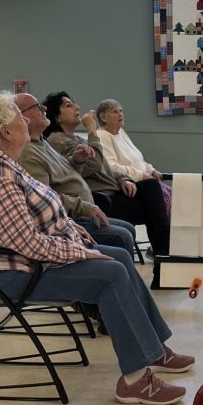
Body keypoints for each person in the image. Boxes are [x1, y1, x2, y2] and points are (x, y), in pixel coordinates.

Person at [0, 93, 194, 405]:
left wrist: (73, 231)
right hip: (7, 271)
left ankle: (155, 349)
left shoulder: (5, 164)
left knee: (119, 255)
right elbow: (27, 242)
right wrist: (81, 252)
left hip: (21, 260)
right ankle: (135, 379)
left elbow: (37, 215)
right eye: (18, 115)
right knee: (110, 273)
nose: (26, 118)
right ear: (5, 132)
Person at [42, 91, 170, 285]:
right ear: (57, 117)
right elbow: (93, 164)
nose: (77, 107)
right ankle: (164, 263)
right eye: (68, 105)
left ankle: (164, 262)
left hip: (112, 191)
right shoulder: (58, 141)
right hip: (101, 199)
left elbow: (105, 168)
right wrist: (92, 131)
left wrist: (124, 179)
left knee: (153, 190)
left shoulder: (74, 138)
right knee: (154, 205)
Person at [14, 92, 138, 254]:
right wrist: (92, 131)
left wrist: (76, 161)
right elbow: (43, 198)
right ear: (23, 117)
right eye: (37, 106)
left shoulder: (42, 143)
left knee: (130, 226)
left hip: (89, 206)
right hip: (74, 216)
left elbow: (71, 172)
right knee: (124, 235)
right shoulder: (34, 150)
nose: (43, 108)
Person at [93, 98, 172, 216]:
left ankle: (173, 233)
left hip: (142, 180)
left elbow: (137, 158)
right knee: (163, 198)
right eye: (115, 111)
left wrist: (151, 170)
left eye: (121, 111)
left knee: (173, 196)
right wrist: (140, 175)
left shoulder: (121, 132)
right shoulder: (102, 135)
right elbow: (110, 167)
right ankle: (165, 234)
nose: (120, 114)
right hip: (125, 185)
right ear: (103, 118)